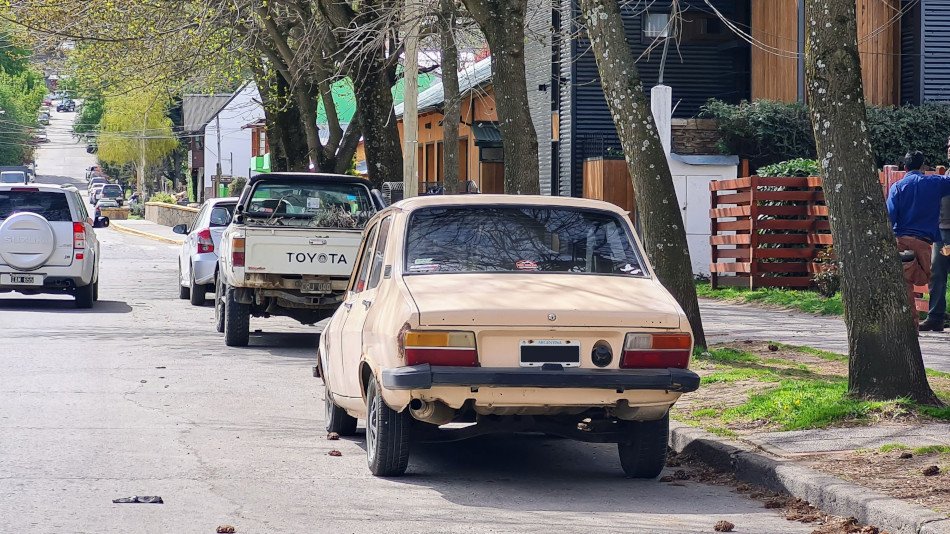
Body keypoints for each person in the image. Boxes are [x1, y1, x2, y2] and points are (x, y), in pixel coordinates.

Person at [886, 150, 950, 324]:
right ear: (923, 167)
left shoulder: (897, 187)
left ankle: (910, 324)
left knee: (904, 281)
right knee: (925, 278)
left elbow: (890, 217)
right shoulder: (935, 183)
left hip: (901, 240)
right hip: (923, 242)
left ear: (904, 167)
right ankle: (930, 316)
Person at [919, 139, 950, 332]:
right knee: (937, 272)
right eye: (948, 146)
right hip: (943, 232)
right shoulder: (946, 174)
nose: (949, 150)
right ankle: (936, 316)